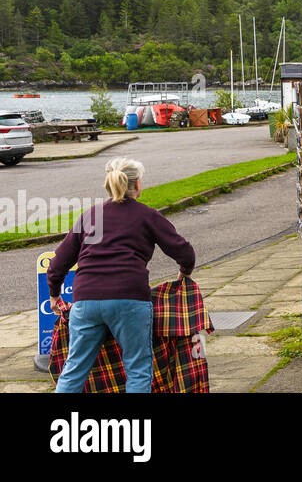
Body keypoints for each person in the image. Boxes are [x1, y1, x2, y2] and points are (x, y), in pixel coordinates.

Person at [47, 157, 195, 393]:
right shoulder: (147, 215)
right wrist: (184, 272)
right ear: (137, 184)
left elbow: (58, 262)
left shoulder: (91, 216)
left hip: (86, 300)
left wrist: (54, 294)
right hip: (130, 300)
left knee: (74, 368)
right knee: (137, 367)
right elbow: (183, 250)